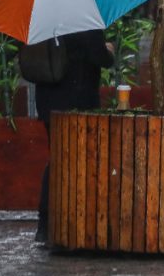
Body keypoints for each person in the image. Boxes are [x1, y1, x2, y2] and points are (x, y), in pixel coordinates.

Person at [33, 29, 114, 243]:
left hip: (48, 98)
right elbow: (99, 56)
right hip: (78, 99)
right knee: (81, 161)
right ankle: (74, 224)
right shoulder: (83, 15)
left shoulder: (45, 16)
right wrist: (109, 51)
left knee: (57, 160)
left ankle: (46, 224)